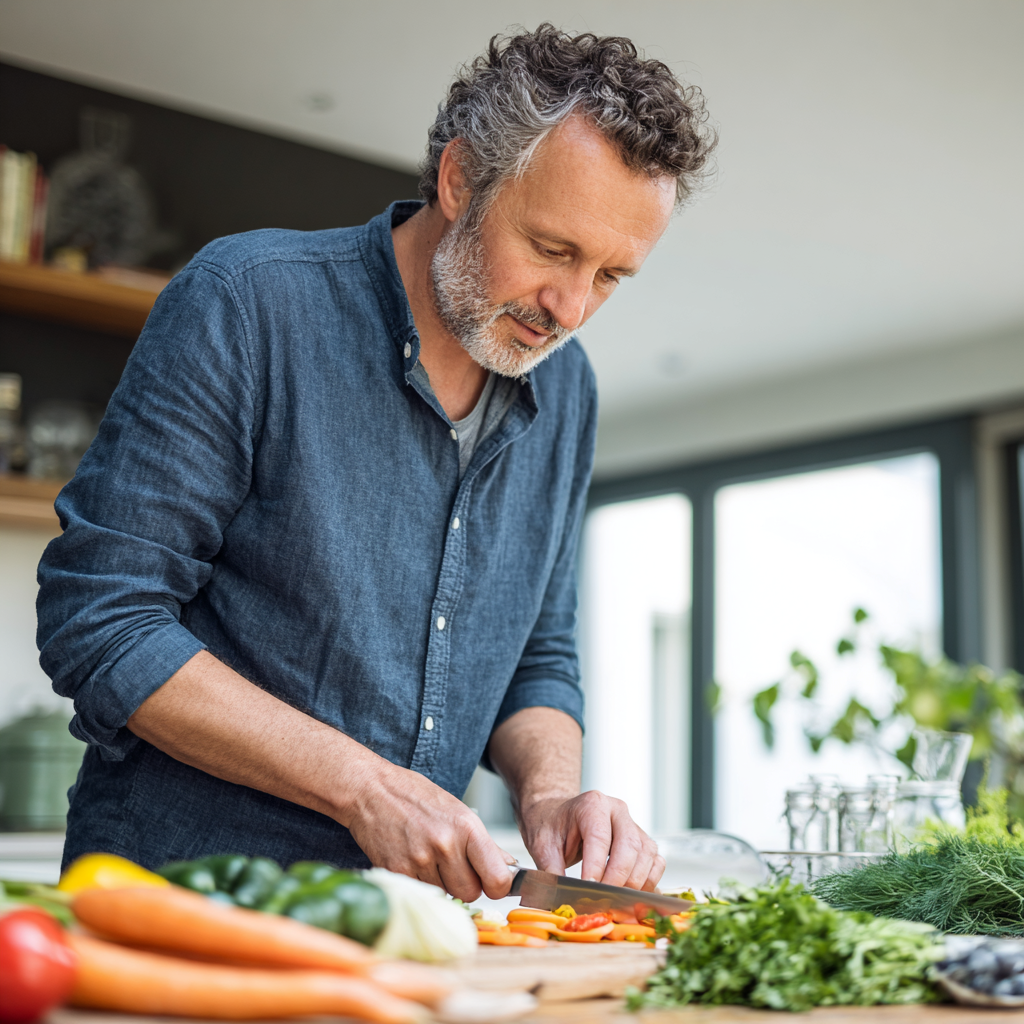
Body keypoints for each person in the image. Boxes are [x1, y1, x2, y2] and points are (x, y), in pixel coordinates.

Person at [37, 24, 715, 902]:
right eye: (553, 250)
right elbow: (102, 618)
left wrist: (549, 794)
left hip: (415, 931)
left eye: (612, 275)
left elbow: (537, 653)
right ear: (461, 178)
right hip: (187, 907)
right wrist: (364, 788)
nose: (571, 308)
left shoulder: (567, 389)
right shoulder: (250, 303)